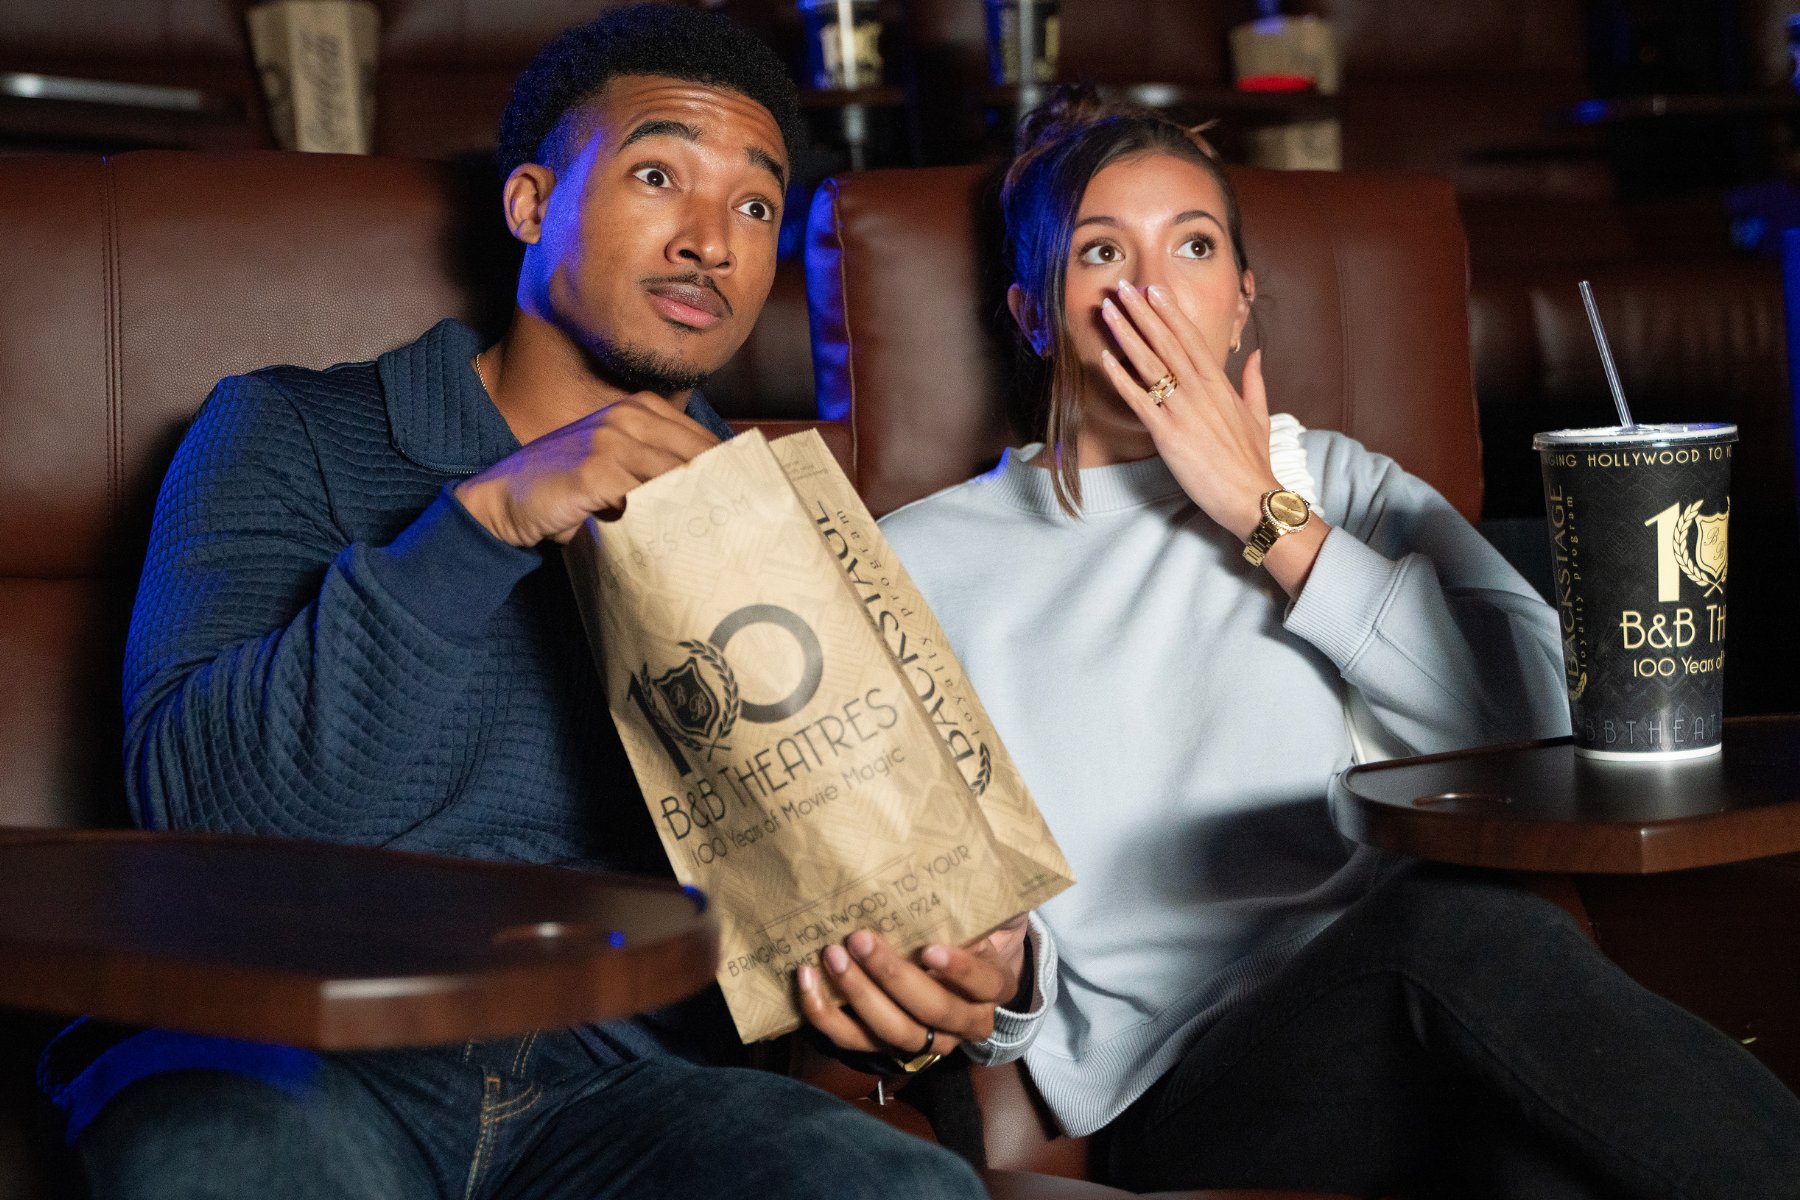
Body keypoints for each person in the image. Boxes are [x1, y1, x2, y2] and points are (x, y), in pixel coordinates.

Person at [47, 8, 996, 1198]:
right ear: (533, 206)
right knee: (226, 1155)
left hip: (624, 1092)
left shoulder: (778, 521)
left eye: (755, 206)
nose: (713, 241)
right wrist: (485, 522)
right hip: (298, 1057)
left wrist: (950, 975)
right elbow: (200, 810)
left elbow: (866, 875)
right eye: (659, 176)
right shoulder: (288, 428)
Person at [800, 90, 1800, 1198]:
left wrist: (1268, 521)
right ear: (1035, 315)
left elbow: (1559, 734)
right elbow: (958, 943)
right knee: (1459, 925)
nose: (1148, 291)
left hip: (1447, 1019)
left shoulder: (1336, 481)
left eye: (1191, 246)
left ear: (1240, 303)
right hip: (1192, 1087)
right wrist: (993, 975)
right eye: (1098, 253)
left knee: (1545, 1160)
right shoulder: (912, 564)